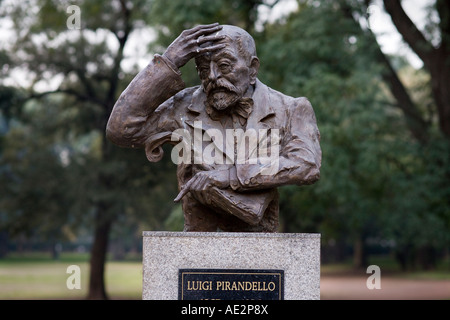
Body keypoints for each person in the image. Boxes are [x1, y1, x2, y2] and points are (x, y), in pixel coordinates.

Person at [106, 23, 321, 232]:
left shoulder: (291, 109)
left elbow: (306, 165)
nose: (213, 77)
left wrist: (230, 176)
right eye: (202, 69)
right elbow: (121, 130)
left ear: (253, 68)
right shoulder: (183, 106)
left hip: (260, 235)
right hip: (199, 237)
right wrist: (168, 62)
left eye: (224, 66)